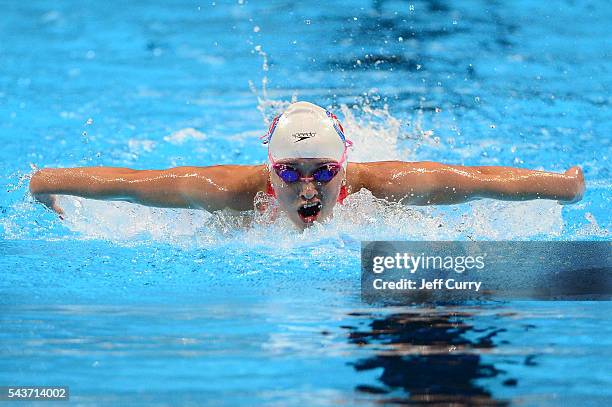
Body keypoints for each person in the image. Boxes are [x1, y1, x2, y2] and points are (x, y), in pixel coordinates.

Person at [29, 101, 585, 229]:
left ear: (345, 164)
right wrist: (42, 187)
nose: (307, 185)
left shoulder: (388, 186)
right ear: (269, 170)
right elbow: (126, 185)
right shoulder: (225, 191)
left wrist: (565, 189)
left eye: (322, 170)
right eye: (291, 172)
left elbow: (482, 183)